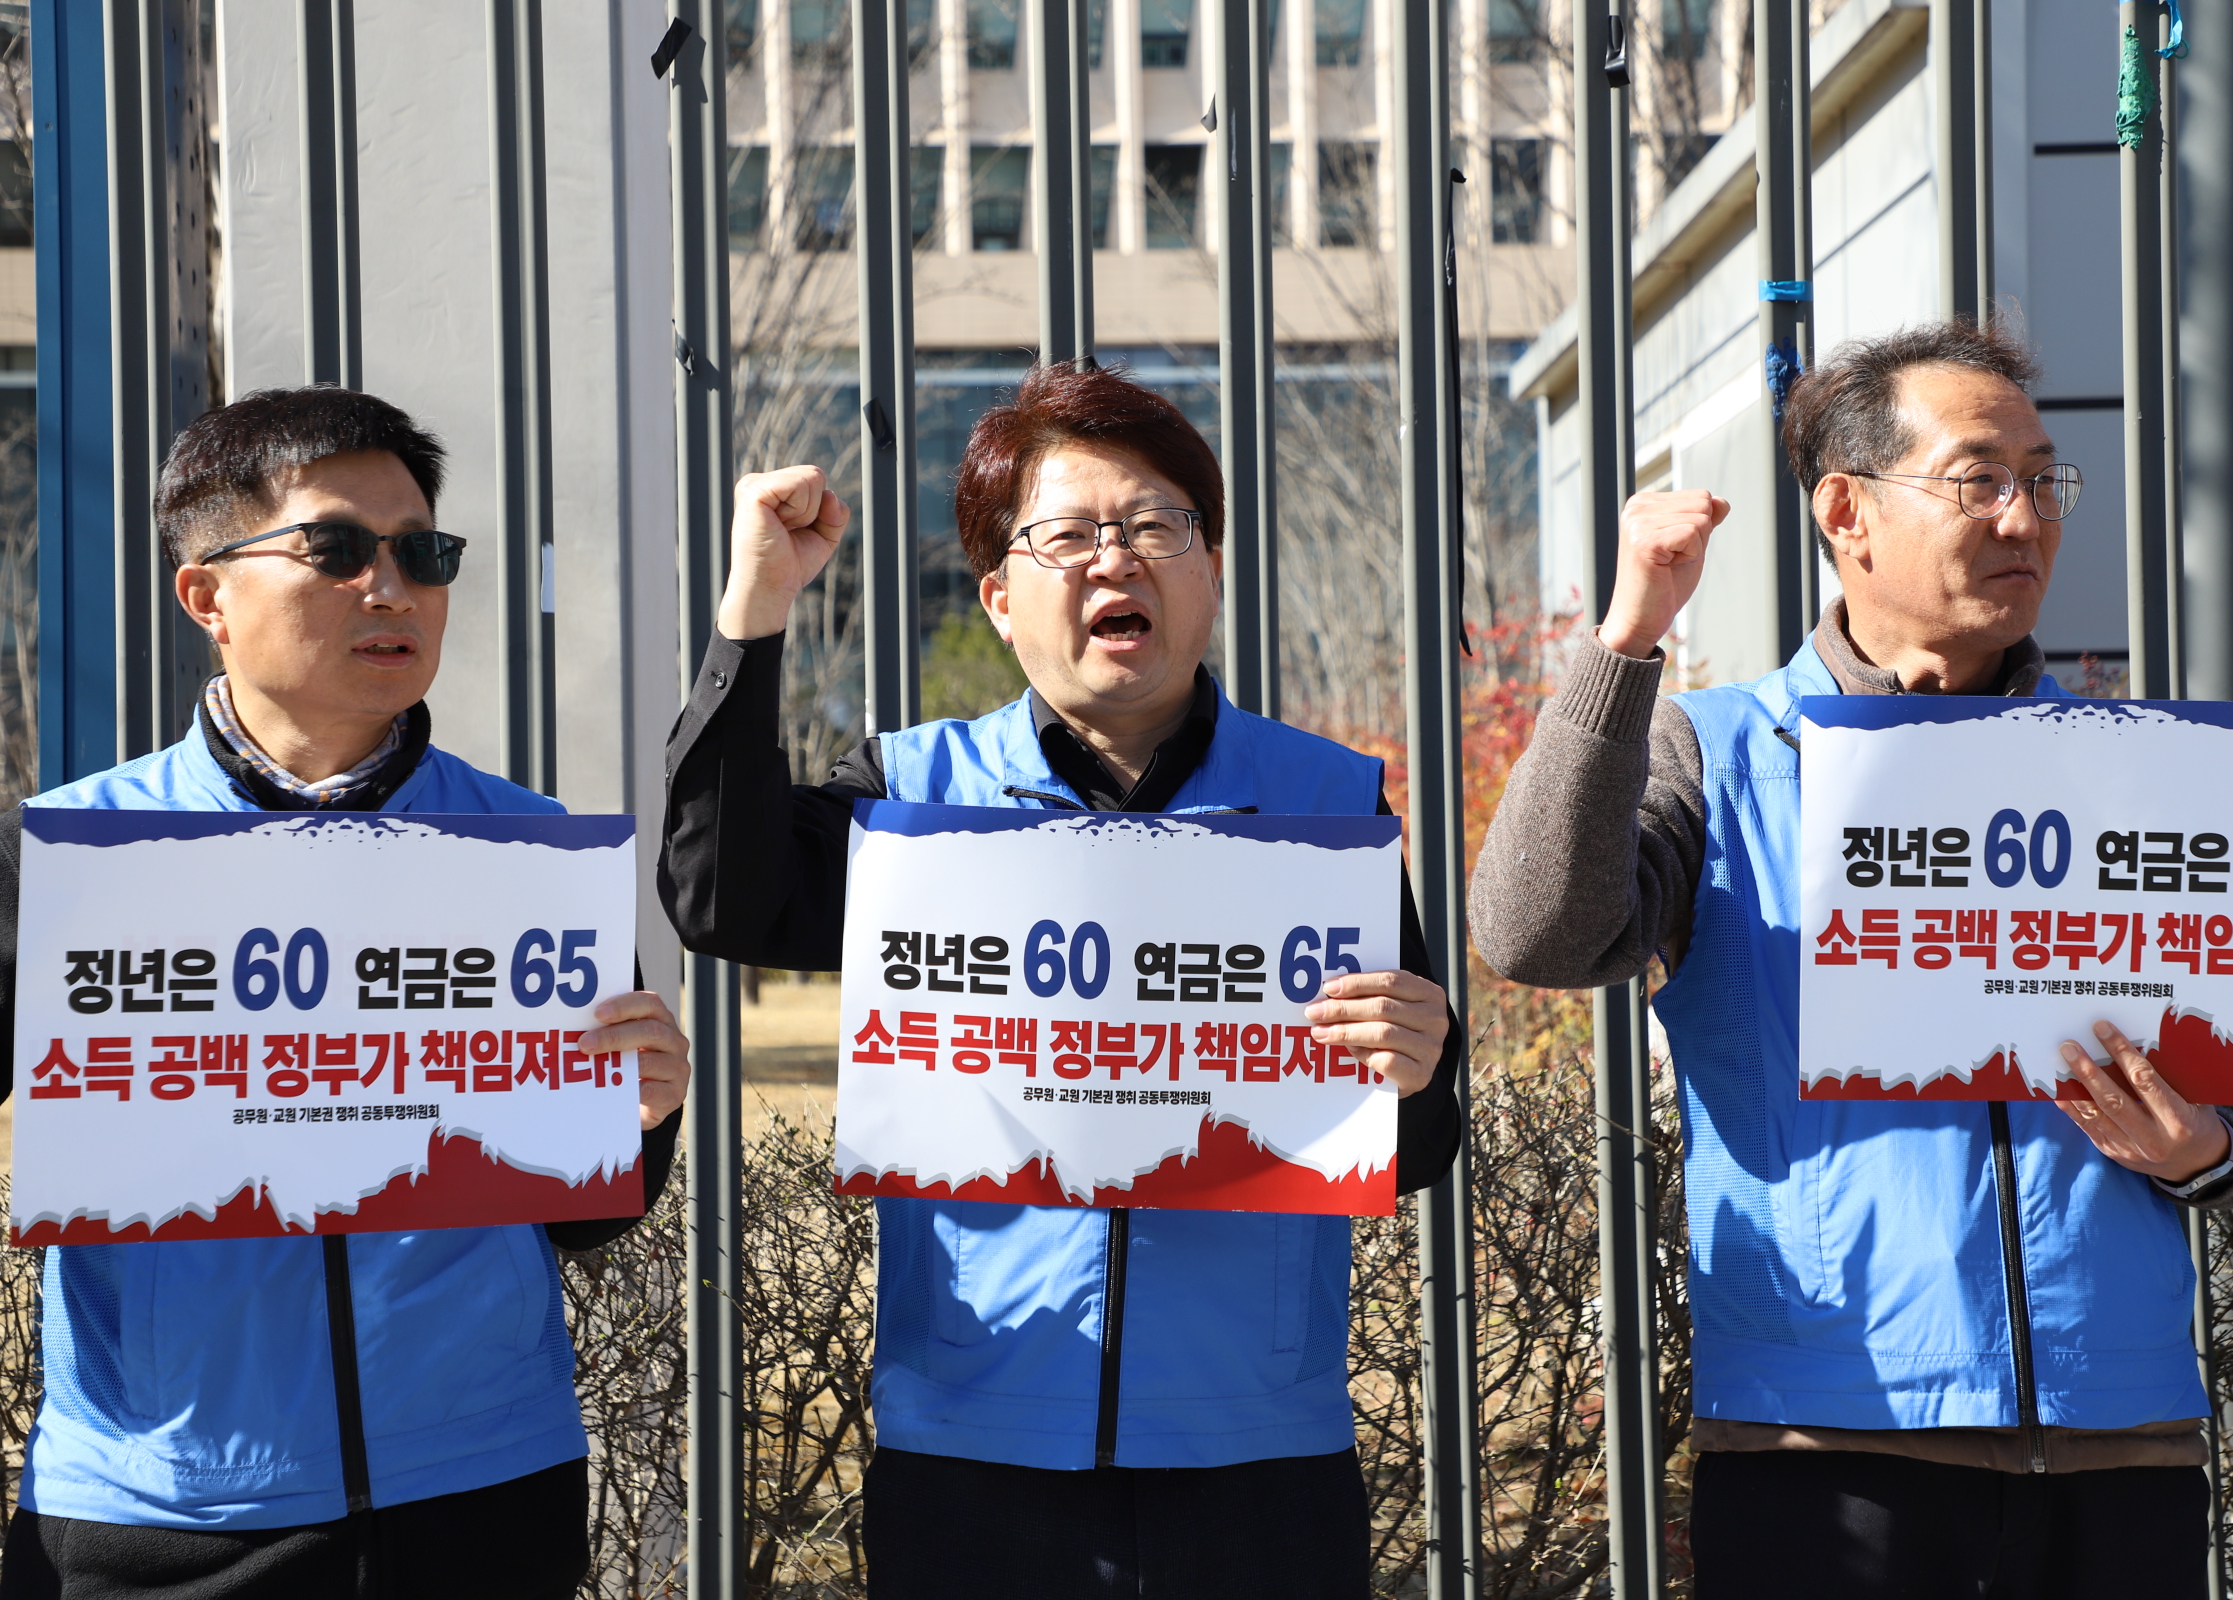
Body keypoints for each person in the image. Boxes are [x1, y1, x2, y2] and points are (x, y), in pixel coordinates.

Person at [1469, 321, 2233, 1599]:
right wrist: (1622, 649)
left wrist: (2207, 1148)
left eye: (2045, 480)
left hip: (2123, 1437)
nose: (2025, 517)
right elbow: (1537, 931)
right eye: (1980, 479)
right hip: (1827, 1443)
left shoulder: (2138, 770)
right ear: (1846, 511)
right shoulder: (1721, 753)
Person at [660, 361, 1461, 1598]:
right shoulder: (913, 800)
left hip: (1259, 1454)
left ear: (1210, 568)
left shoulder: (1329, 805)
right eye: (1070, 534)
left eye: (1156, 527)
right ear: (998, 596)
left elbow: (1410, 1149)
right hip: (974, 1449)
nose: (1116, 560)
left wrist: (1419, 1064)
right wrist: (754, 612)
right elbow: (724, 895)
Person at [0, 387, 692, 1600]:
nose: (392, 588)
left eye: (424, 553)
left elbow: (585, 1218)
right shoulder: (66, 861)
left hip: (484, 1495)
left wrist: (644, 1115)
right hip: (162, 1515)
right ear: (206, 595)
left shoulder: (530, 856)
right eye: (335, 549)